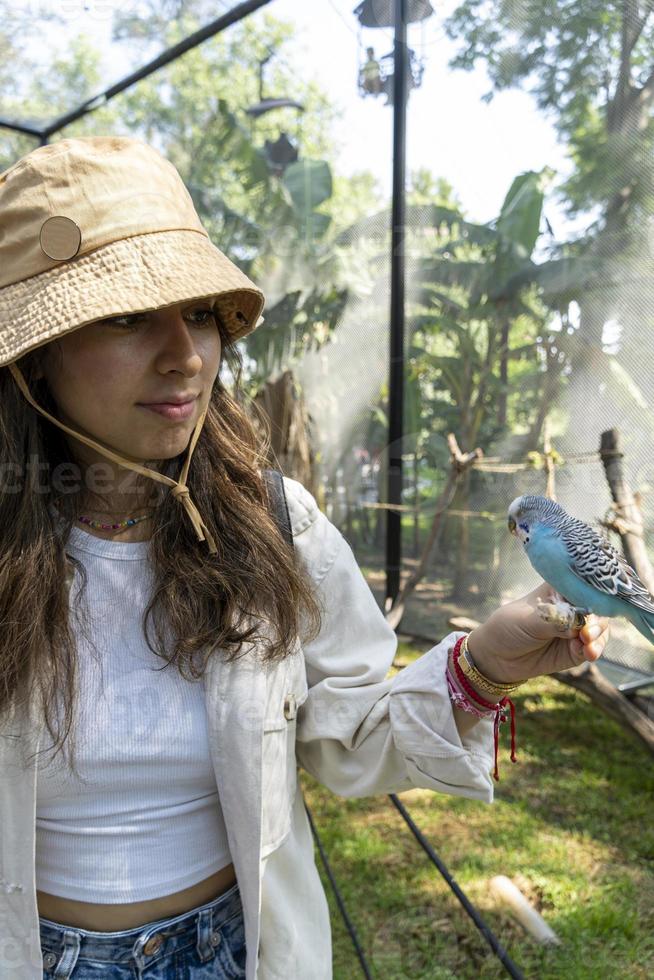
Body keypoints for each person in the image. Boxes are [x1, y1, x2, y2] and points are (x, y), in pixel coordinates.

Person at [0, 136, 610, 980]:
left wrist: (481, 665)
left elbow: (351, 730)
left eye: (202, 313)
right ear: (36, 355)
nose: (185, 352)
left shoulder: (274, 525)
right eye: (127, 315)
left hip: (235, 952)